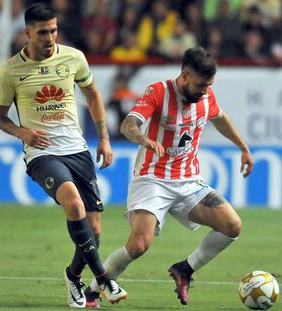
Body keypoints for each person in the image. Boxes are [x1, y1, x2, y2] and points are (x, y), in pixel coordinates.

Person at [84, 47, 254, 306]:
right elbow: (128, 124)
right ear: (184, 76)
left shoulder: (206, 96)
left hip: (188, 181)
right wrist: (144, 139)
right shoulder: (158, 92)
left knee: (232, 226)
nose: (204, 91)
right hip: (152, 178)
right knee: (139, 245)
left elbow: (219, 118)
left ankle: (185, 269)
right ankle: (93, 290)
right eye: (200, 84)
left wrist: (242, 147)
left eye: (209, 85)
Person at [0, 3, 127, 308]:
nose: (50, 37)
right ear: (27, 32)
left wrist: (104, 139)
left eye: (53, 29)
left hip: (77, 149)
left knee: (93, 230)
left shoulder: (74, 57)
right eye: (42, 32)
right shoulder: (11, 71)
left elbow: (92, 94)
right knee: (73, 202)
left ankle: (73, 278)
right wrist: (21, 133)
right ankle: (105, 279)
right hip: (42, 154)